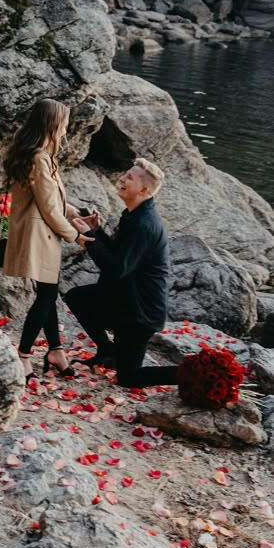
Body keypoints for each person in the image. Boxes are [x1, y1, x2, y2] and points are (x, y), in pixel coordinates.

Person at [3, 98, 95, 382]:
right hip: (39, 235)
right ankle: (24, 355)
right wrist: (76, 236)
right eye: (64, 125)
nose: (66, 131)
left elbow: (51, 200)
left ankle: (55, 351)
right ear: (52, 124)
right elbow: (48, 209)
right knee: (45, 296)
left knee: (48, 293)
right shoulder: (39, 158)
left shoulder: (41, 155)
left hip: (41, 232)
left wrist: (77, 212)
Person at [66, 158, 178, 388]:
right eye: (125, 174)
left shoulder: (144, 224)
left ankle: (189, 373)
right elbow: (121, 255)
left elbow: (117, 268)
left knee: (129, 378)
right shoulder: (134, 215)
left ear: (144, 190)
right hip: (124, 300)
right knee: (77, 297)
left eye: (130, 177)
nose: (122, 178)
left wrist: (89, 238)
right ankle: (108, 351)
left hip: (140, 314)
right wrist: (96, 231)